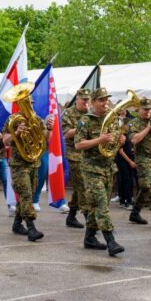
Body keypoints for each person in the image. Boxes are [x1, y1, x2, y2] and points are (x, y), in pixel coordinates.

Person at [75, 87, 125, 256]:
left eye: (106, 99)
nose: (105, 103)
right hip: (91, 169)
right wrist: (100, 139)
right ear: (93, 102)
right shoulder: (85, 120)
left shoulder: (112, 119)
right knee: (102, 205)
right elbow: (79, 144)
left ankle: (89, 237)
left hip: (108, 168)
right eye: (101, 100)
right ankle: (110, 241)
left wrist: (120, 140)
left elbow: (113, 145)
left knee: (96, 206)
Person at [3, 89, 52, 242]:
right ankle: (31, 228)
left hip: (33, 163)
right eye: (26, 103)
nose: (29, 106)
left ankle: (17, 224)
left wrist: (49, 128)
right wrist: (16, 133)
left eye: (30, 103)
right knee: (25, 194)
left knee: (27, 195)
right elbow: (5, 140)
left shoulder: (37, 119)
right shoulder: (13, 119)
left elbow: (45, 140)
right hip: (19, 164)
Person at [127, 98, 151, 227]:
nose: (147, 112)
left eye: (149, 109)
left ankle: (135, 213)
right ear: (139, 110)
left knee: (145, 187)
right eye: (145, 109)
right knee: (150, 187)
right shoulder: (133, 123)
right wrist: (148, 128)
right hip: (142, 158)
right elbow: (134, 140)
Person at [61, 89, 91, 229]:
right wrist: (83, 124)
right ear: (77, 99)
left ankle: (71, 215)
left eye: (87, 99)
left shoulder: (90, 113)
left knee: (80, 188)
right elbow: (66, 134)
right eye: (83, 99)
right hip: (74, 155)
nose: (86, 102)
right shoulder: (68, 113)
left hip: (88, 155)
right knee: (83, 187)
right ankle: (90, 219)